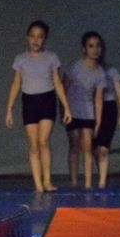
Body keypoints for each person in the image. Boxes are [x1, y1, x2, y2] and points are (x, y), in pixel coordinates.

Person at [6, 20, 72, 193]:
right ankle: (38, 184)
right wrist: (9, 108)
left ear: (45, 39)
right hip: (29, 101)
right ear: (27, 37)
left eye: (40, 37)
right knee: (34, 144)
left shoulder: (51, 58)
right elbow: (16, 84)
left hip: (47, 99)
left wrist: (66, 107)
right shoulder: (21, 59)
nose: (36, 40)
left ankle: (47, 181)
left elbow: (57, 83)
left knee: (44, 141)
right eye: (33, 36)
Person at [63, 31, 106, 189]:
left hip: (88, 113)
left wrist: (98, 121)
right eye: (91, 46)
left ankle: (88, 184)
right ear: (84, 49)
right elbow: (64, 88)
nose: (95, 49)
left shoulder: (100, 72)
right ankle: (74, 182)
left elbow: (98, 99)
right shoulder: (76, 66)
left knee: (87, 147)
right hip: (72, 111)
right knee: (74, 146)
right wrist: (64, 110)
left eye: (98, 46)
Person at [92, 41, 120, 188]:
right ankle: (101, 174)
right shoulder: (86, 69)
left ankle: (102, 182)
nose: (96, 50)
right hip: (90, 108)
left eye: (99, 47)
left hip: (108, 108)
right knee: (94, 148)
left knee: (103, 148)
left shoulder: (111, 70)